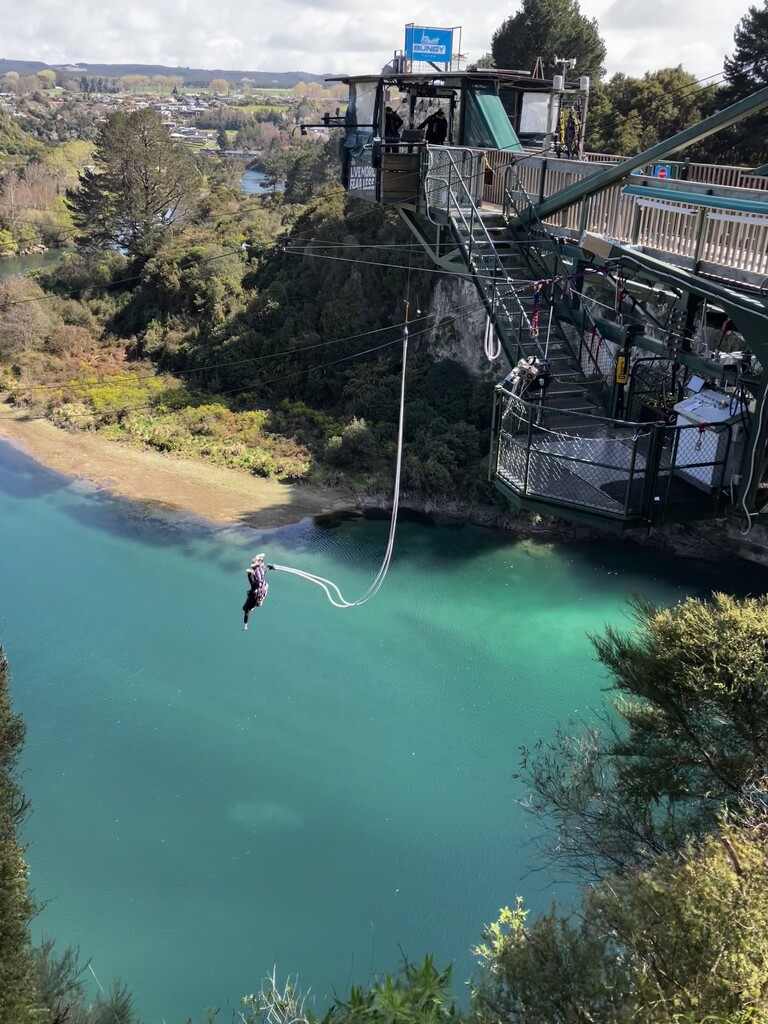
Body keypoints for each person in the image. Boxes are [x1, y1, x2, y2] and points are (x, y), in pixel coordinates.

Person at [242, 553, 275, 630]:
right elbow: (265, 585)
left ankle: (255, 566)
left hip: (254, 589)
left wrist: (245, 624)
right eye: (260, 601)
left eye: (258, 601)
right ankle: (258, 561)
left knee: (258, 582)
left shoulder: (251, 604)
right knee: (261, 577)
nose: (259, 600)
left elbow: (246, 614)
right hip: (259, 585)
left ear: (257, 602)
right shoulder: (263, 595)